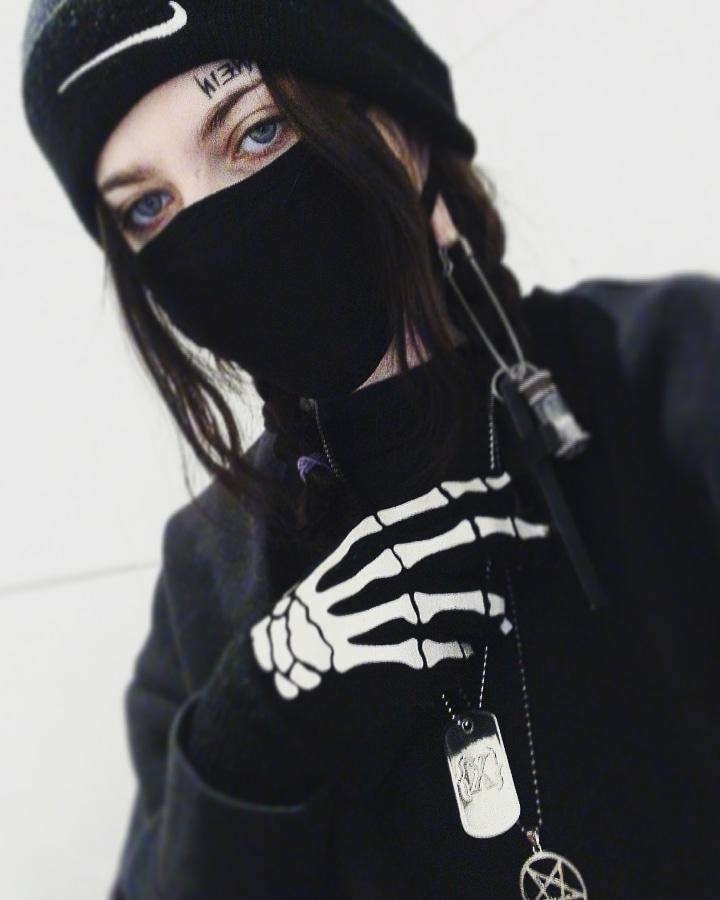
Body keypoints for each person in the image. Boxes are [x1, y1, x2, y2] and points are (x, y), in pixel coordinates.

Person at [21, 2, 718, 898]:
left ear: (403, 127)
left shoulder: (669, 374)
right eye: (147, 207)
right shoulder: (208, 579)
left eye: (257, 131)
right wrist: (249, 746)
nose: (212, 231)